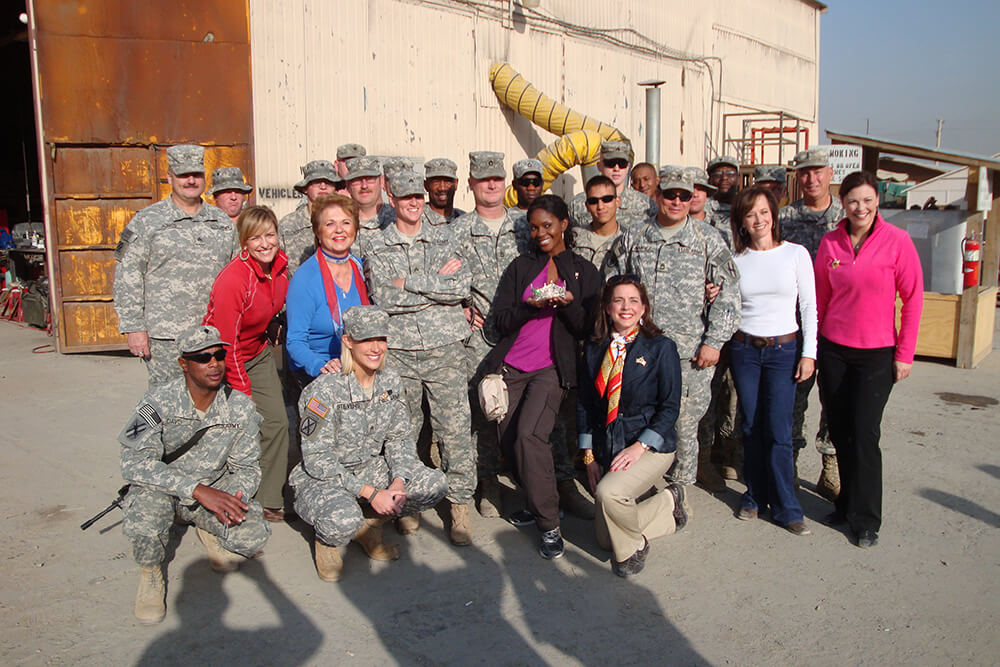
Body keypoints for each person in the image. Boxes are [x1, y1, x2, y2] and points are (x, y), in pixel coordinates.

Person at [120, 324, 270, 624]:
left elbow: (247, 467)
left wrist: (233, 497)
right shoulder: (157, 402)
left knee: (252, 535)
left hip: (213, 492)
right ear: (183, 364)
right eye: (202, 358)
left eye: (218, 355)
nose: (214, 364)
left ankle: (208, 528)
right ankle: (151, 574)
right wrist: (196, 490)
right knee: (146, 520)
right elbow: (133, 463)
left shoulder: (239, 407)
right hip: (165, 490)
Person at [483, 194, 602, 559]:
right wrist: (527, 307)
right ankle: (536, 503)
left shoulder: (583, 271)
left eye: (547, 226)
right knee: (509, 442)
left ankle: (550, 525)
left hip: (550, 370)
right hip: (511, 368)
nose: (540, 234)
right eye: (534, 228)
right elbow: (498, 322)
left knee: (530, 436)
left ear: (564, 224)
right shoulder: (521, 268)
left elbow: (588, 329)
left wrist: (567, 306)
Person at [607, 167, 740, 488]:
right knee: (638, 418)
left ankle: (680, 489)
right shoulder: (634, 236)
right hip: (640, 351)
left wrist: (715, 341)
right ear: (658, 195)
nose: (677, 201)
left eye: (684, 195)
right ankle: (637, 485)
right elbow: (611, 283)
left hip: (689, 353)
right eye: (670, 194)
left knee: (683, 424)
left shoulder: (706, 238)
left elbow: (730, 294)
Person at [363, 170, 475, 545]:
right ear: (391, 199)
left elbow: (459, 287)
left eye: (418, 197)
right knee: (403, 431)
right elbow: (383, 297)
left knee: (454, 429)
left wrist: (409, 282)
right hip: (401, 352)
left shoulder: (446, 236)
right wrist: (435, 286)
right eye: (405, 197)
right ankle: (406, 501)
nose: (413, 203)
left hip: (444, 348)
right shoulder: (378, 245)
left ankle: (459, 504)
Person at [814, 170, 923, 548]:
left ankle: (866, 518)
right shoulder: (831, 243)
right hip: (834, 351)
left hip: (876, 353)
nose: (860, 207)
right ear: (842, 204)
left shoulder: (898, 242)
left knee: (864, 433)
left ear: (877, 201)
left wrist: (904, 354)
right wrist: (813, 349)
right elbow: (820, 299)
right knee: (840, 430)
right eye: (852, 201)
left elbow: (913, 300)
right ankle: (845, 504)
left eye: (867, 200)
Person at [577, 275, 687, 577]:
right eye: (618, 300)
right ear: (608, 308)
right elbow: (587, 403)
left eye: (633, 301)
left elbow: (670, 408)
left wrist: (641, 446)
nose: (626, 307)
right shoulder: (595, 348)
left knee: (610, 495)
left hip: (650, 445)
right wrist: (588, 456)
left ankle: (633, 550)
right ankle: (668, 503)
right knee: (603, 539)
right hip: (610, 445)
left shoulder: (661, 348)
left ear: (644, 308)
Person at [727, 185, 816, 536]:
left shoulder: (795, 254)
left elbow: (809, 307)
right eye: (751, 215)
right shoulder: (736, 261)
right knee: (750, 425)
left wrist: (809, 353)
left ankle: (786, 506)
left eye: (764, 212)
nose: (758, 220)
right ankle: (754, 494)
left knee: (780, 431)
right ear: (742, 222)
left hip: (784, 351)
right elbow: (728, 304)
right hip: (745, 350)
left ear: (773, 216)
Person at [113, 144, 236, 387]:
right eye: (183, 175)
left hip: (212, 333)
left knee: (212, 403)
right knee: (169, 404)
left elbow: (237, 273)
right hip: (166, 338)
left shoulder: (221, 221)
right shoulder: (147, 221)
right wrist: (134, 327)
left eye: (196, 175)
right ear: (170, 177)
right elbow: (128, 274)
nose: (191, 180)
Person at [453, 151, 531, 517]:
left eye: (496, 178)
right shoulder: (455, 232)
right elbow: (443, 282)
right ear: (470, 184)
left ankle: (541, 482)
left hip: (526, 335)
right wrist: (461, 308)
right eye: (483, 179)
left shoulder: (527, 226)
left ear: (505, 183)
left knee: (532, 410)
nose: (491, 184)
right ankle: (488, 486)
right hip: (479, 338)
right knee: (482, 412)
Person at [203, 206, 290, 523]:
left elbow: (276, 304)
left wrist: (276, 321)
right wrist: (241, 390)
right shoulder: (234, 280)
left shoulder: (280, 268)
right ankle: (226, 495)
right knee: (241, 425)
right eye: (256, 238)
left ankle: (269, 497)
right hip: (222, 359)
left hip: (257, 352)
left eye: (270, 235)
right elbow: (226, 343)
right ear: (244, 242)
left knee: (277, 422)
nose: (265, 243)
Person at [779, 147, 845, 501]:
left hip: (837, 323)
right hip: (795, 323)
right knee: (794, 397)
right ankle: (788, 462)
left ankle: (830, 466)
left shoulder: (845, 217)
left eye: (817, 171)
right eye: (804, 173)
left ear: (830, 173)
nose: (811, 179)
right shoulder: (785, 218)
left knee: (834, 398)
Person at [285, 194, 370, 386]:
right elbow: (295, 342)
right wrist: (321, 366)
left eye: (346, 223)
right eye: (330, 224)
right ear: (317, 231)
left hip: (360, 364)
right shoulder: (305, 279)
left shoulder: (363, 268)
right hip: (322, 372)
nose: (339, 230)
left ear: (355, 228)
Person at [569, 141, 656, 228]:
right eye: (610, 163)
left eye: (622, 164)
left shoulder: (646, 204)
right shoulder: (577, 204)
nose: (616, 168)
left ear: (628, 167)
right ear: (599, 166)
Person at [278, 160, 342, 276]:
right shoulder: (287, 226)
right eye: (316, 182)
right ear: (305, 188)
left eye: (328, 182)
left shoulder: (345, 224)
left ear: (335, 188)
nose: (323, 186)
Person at [573, 175, 630, 275]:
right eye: (593, 201)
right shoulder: (575, 237)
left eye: (607, 199)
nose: (600, 206)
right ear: (587, 206)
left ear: (617, 202)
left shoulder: (628, 240)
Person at [345, 156, 395, 251]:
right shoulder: (340, 224)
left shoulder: (397, 219)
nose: (364, 186)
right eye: (357, 180)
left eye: (369, 179)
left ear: (381, 181)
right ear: (348, 186)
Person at [704, 155, 740, 247]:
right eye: (717, 175)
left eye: (730, 174)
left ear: (738, 179)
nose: (724, 178)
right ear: (710, 180)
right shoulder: (701, 208)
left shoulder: (746, 207)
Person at [422, 158, 465, 225]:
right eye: (436, 182)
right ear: (426, 185)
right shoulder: (415, 220)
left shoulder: (465, 220)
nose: (442, 188)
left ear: (456, 184)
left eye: (447, 181)